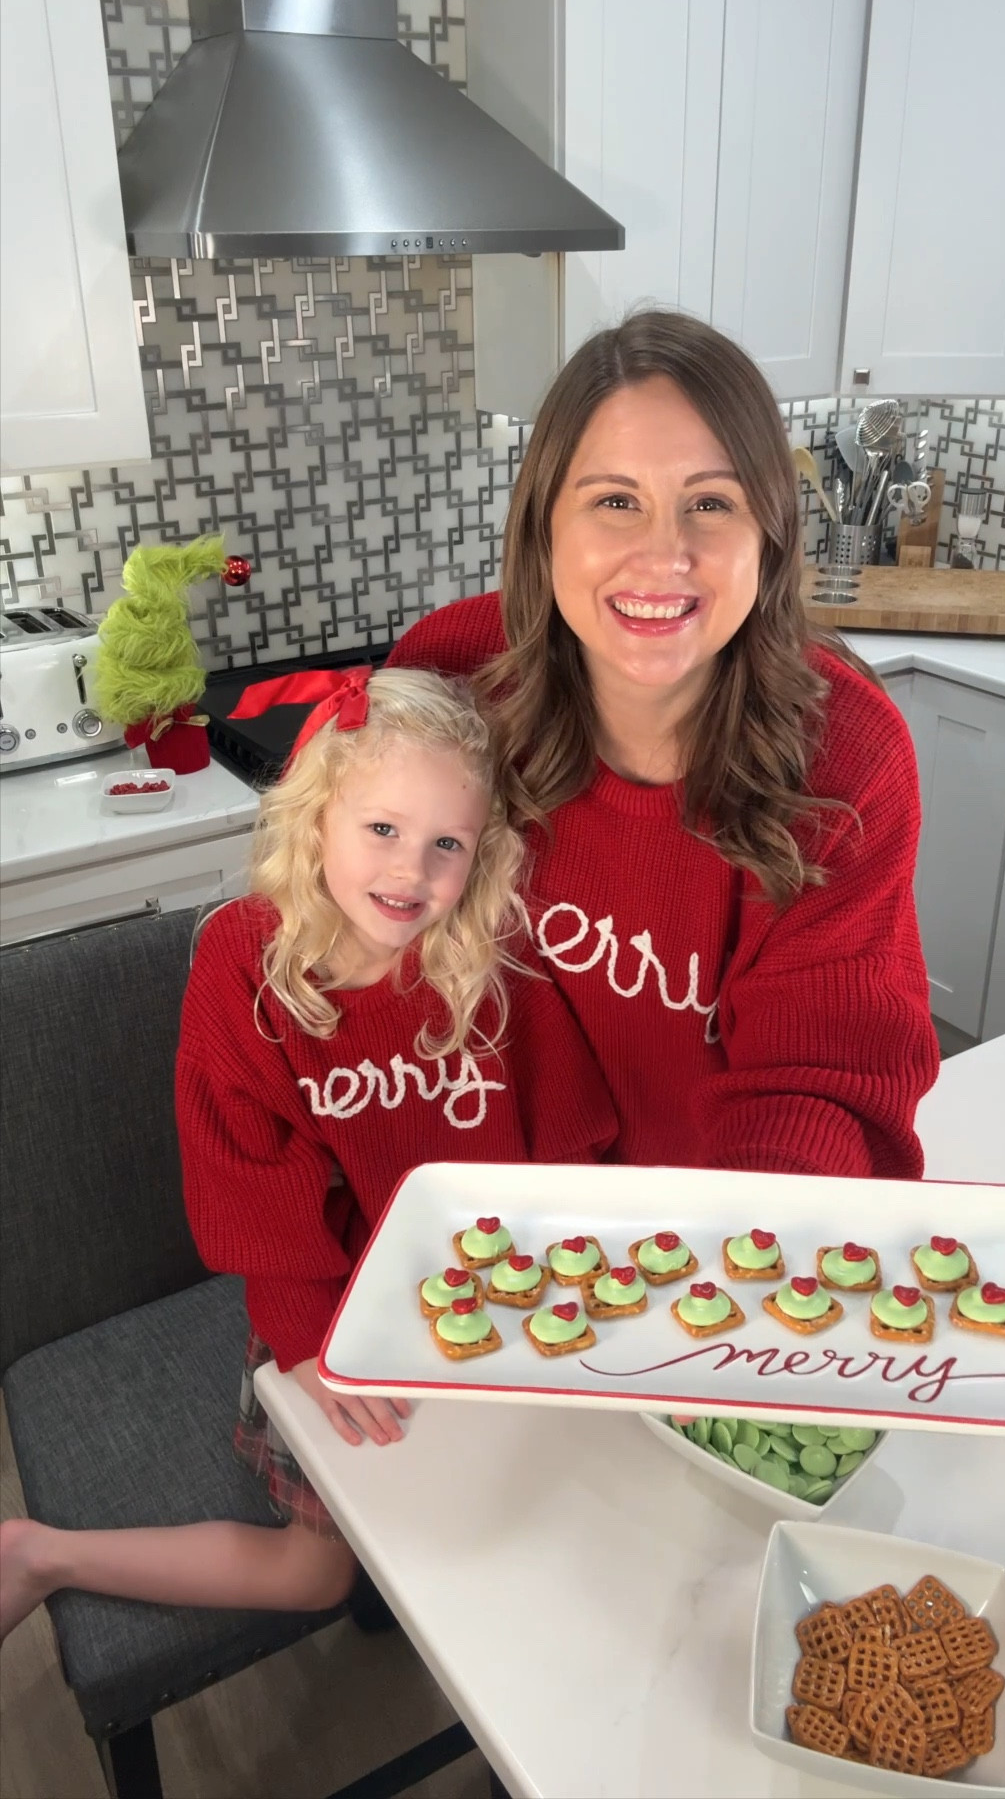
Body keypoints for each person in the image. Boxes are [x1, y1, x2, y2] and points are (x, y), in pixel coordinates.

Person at [0, 667, 616, 1641]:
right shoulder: (245, 965)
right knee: (316, 1575)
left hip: (493, 1307)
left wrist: (565, 1271)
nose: (412, 874)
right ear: (317, 815)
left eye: (445, 845)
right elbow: (247, 1189)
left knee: (528, 1523)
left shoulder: (488, 954)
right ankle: (40, 1553)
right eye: (382, 829)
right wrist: (311, 1341)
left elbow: (566, 1135)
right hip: (332, 1311)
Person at [387, 310, 940, 1177]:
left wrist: (733, 1281)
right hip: (487, 1232)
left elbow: (819, 1089)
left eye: (710, 504)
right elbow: (356, 959)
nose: (663, 554)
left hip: (707, 1254)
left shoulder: (845, 757)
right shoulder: (450, 680)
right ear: (544, 526)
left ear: (770, 535)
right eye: (615, 501)